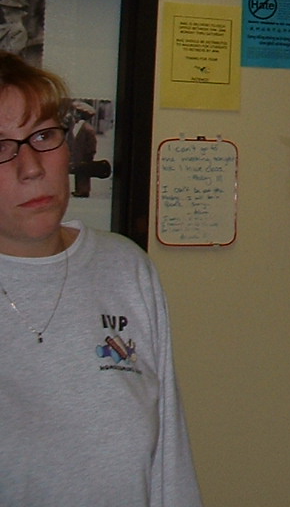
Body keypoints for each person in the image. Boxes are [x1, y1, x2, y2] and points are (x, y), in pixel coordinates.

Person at [0, 52, 202, 507]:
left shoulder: (124, 268)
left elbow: (169, 463)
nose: (31, 167)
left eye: (43, 136)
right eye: (0, 147)